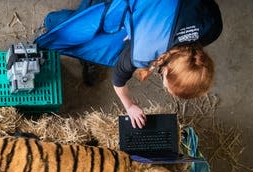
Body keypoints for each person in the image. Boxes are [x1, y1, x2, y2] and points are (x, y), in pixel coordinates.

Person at [36, 0, 223, 128]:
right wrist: (130, 106)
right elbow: (119, 77)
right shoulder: (144, 51)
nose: (165, 88)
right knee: (86, 27)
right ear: (165, 70)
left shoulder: (212, 27)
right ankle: (53, 21)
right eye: (168, 86)